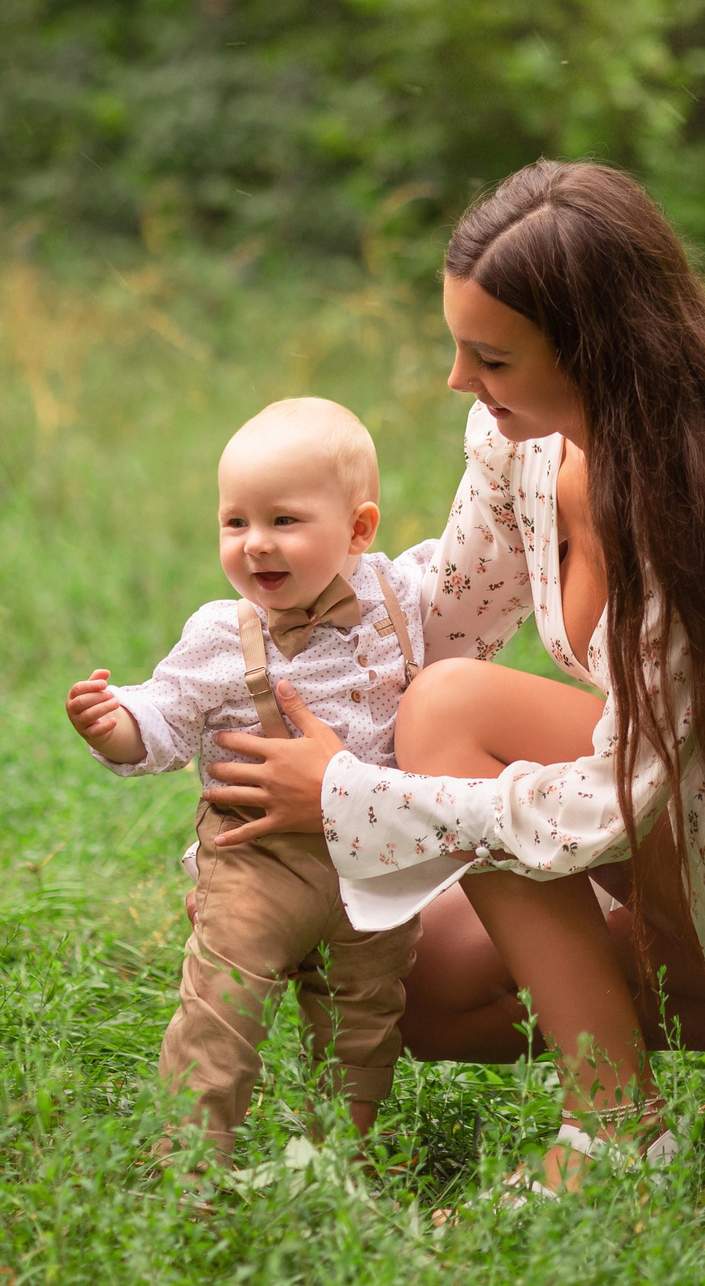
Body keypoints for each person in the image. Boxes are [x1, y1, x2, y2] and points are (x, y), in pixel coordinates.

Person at [205, 161, 705, 1192]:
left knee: (447, 713)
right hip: (693, 827)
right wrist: (266, 654)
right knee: (417, 980)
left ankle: (619, 1129)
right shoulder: (527, 447)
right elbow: (440, 617)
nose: (459, 380)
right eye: (459, 346)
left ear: (597, 351)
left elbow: (606, 804)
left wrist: (346, 797)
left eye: (491, 357)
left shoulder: (692, 517)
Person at [63, 398, 433, 1161]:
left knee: (365, 1013)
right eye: (235, 522)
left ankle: (342, 1154)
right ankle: (191, 1161)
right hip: (258, 857)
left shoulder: (402, 595)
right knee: (223, 1002)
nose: (255, 543)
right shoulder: (220, 634)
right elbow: (166, 714)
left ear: (359, 530)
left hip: (372, 855)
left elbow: (486, 561)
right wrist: (116, 722)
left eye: (284, 520)